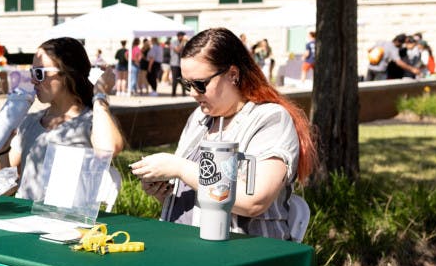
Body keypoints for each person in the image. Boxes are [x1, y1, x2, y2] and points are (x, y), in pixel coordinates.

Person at [130, 27, 317, 240]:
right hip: (183, 243)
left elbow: (255, 201)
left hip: (244, 251)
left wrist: (180, 168)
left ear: (233, 75)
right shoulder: (199, 118)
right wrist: (165, 193)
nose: (192, 93)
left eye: (200, 84)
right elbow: (199, 198)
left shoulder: (270, 119)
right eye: (187, 84)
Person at [0, 37, 124, 201]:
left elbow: (108, 150)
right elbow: (4, 189)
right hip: (24, 215)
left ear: (66, 74)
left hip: (65, 216)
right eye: (32, 72)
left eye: (39, 73)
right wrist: (2, 150)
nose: (33, 80)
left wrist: (99, 96)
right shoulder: (29, 121)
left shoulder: (93, 121)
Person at [169, 31, 186, 96]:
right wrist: (183, 42)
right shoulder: (174, 42)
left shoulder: (183, 43)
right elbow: (177, 50)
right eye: (182, 36)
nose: (183, 37)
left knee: (182, 79)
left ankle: (184, 93)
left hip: (181, 64)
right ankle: (173, 93)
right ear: (179, 36)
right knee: (175, 79)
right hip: (174, 63)